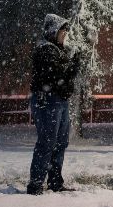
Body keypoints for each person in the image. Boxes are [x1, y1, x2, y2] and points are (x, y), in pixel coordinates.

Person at [27, 13, 80, 195]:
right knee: (47, 142)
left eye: (66, 30)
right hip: (47, 101)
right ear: (53, 30)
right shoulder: (46, 49)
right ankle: (35, 184)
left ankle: (55, 182)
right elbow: (57, 76)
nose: (65, 33)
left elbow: (66, 79)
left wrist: (70, 69)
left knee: (61, 141)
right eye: (62, 29)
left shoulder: (60, 50)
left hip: (60, 101)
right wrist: (72, 67)